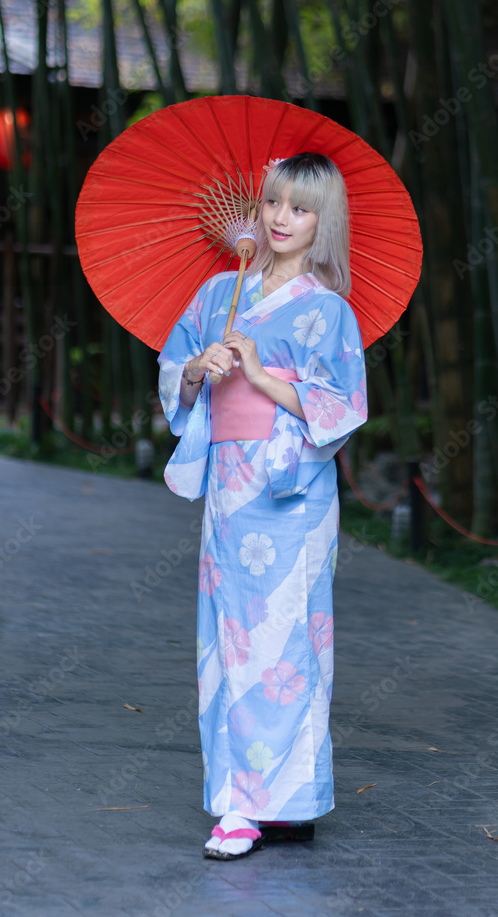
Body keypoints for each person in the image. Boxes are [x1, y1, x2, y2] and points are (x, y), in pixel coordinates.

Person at [157, 152, 368, 860]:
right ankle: (240, 804)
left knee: (291, 643)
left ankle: (287, 799)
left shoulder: (327, 311)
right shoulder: (220, 292)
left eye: (301, 208)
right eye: (274, 202)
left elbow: (341, 406)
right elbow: (175, 373)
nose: (282, 218)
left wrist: (257, 374)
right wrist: (197, 369)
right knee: (228, 641)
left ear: (322, 222)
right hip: (228, 482)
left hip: (293, 492)